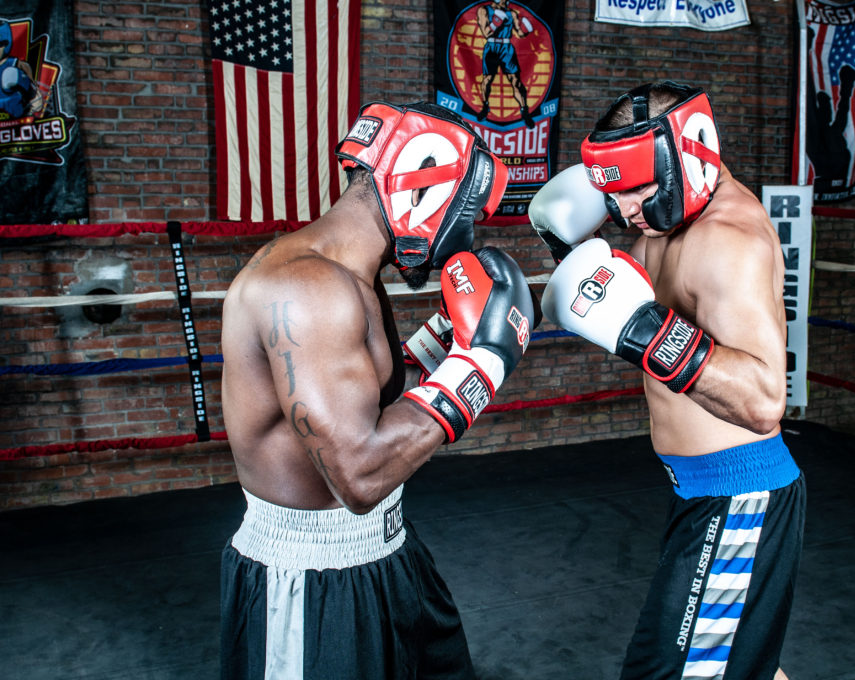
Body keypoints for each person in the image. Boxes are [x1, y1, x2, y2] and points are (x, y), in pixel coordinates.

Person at [219, 100, 536, 679]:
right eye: (463, 213)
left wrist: (450, 336)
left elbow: (375, 401)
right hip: (314, 582)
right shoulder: (306, 287)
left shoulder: (352, 277)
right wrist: (484, 362)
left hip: (388, 552)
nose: (461, 236)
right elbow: (360, 474)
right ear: (422, 192)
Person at [530, 81, 804, 680]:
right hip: (699, 491)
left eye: (638, 191)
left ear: (692, 156)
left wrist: (647, 331)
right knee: (743, 665)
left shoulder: (729, 241)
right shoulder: (666, 215)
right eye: (616, 193)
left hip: (739, 498)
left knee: (665, 671)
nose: (625, 211)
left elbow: (763, 402)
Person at [474, 0, 535, 128]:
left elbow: (519, 33)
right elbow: (486, 33)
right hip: (491, 46)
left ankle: (525, 111)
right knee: (488, 79)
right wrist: (496, 23)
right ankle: (485, 106)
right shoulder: (484, 10)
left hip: (506, 48)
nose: (506, 2)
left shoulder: (511, 13)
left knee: (515, 80)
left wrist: (527, 28)